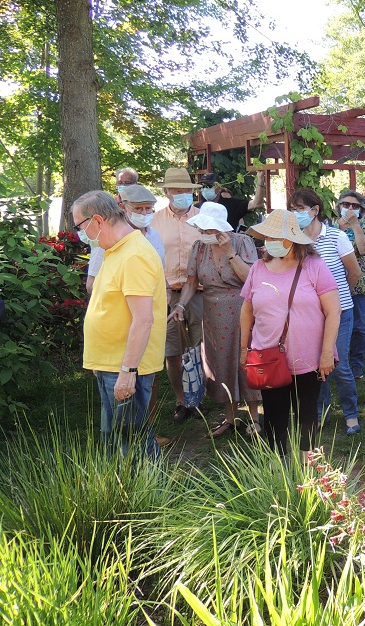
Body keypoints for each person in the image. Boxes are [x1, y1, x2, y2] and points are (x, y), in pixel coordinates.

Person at [73, 191, 166, 457]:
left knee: (133, 446)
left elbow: (143, 319)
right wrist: (99, 360)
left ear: (97, 220)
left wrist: (127, 371)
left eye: (80, 226)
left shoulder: (134, 255)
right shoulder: (114, 250)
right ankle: (125, 485)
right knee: (119, 444)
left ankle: (151, 485)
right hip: (111, 363)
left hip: (125, 366)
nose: (80, 233)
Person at [240, 209, 340, 459]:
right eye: (267, 237)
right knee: (274, 414)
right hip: (267, 357)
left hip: (309, 358)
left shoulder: (314, 266)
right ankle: (277, 466)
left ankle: (309, 464)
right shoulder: (258, 268)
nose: (270, 242)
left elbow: (333, 311)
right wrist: (244, 348)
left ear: (293, 239)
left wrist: (327, 353)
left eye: (276, 237)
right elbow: (246, 310)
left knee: (307, 414)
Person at [169, 201, 260, 437]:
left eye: (208, 229)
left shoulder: (242, 242)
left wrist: (230, 252)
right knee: (220, 362)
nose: (204, 232)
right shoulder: (199, 247)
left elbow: (250, 279)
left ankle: (255, 418)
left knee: (244, 360)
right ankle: (230, 418)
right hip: (212, 314)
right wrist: (180, 304)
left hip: (241, 309)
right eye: (202, 228)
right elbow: (191, 282)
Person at [289, 187, 363, 435]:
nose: (296, 213)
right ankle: (321, 412)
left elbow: (354, 272)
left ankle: (351, 414)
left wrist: (338, 298)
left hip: (340, 312)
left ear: (315, 210)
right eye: (293, 209)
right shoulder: (294, 239)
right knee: (315, 366)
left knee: (339, 366)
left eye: (300, 209)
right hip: (310, 316)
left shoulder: (335, 237)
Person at [150, 167, 204, 424]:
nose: (182, 194)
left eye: (186, 190)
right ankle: (181, 399)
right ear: (167, 192)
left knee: (200, 347)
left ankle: (199, 397)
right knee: (172, 350)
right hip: (167, 293)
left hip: (199, 292)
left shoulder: (202, 219)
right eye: (177, 190)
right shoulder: (154, 221)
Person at [87, 184, 165, 294]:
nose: (144, 213)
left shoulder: (154, 236)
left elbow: (161, 274)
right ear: (123, 207)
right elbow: (91, 284)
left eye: (148, 208)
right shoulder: (107, 239)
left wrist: (166, 291)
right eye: (138, 208)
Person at [332, 189, 365, 380]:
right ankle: (334, 361)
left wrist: (355, 225)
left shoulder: (363, 227)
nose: (350, 208)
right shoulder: (330, 227)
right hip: (331, 285)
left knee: (357, 327)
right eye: (346, 204)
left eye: (355, 205)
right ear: (339, 206)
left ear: (361, 209)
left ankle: (356, 365)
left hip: (356, 285)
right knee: (332, 324)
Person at [198, 170, 266, 231]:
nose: (205, 189)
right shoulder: (197, 208)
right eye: (202, 186)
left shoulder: (232, 205)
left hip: (228, 241)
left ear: (219, 188)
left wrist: (260, 179)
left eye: (208, 186)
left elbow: (257, 203)